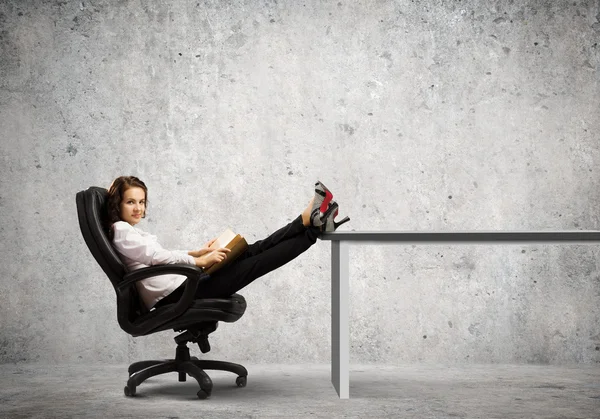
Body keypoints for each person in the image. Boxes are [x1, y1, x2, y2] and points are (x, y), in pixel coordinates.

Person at [103, 176, 350, 310]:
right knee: (257, 262)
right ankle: (312, 231)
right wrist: (199, 261)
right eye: (130, 202)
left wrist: (199, 252)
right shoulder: (122, 231)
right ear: (117, 204)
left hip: (185, 283)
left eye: (141, 202)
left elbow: (157, 254)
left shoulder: (128, 232)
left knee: (251, 250)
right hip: (179, 294)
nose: (138, 208)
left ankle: (305, 221)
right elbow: (156, 259)